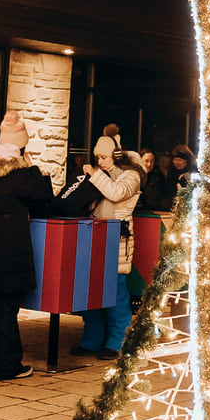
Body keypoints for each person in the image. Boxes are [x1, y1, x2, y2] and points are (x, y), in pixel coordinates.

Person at [0, 110, 54, 380]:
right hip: (10, 250)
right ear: (19, 148)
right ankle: (6, 367)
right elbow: (44, 196)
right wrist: (33, 168)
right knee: (5, 309)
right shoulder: (18, 175)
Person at [72, 124, 144, 358]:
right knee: (91, 292)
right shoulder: (100, 175)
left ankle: (117, 341)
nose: (100, 162)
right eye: (97, 158)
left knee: (116, 294)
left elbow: (115, 193)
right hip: (95, 238)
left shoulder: (131, 176)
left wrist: (95, 176)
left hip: (117, 241)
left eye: (104, 157)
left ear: (115, 155)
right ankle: (92, 339)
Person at [160, 142, 198, 208]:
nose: (176, 162)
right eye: (174, 160)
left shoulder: (193, 172)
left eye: (179, 160)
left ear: (186, 161)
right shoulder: (172, 172)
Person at [138, 147, 168, 212]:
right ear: (140, 161)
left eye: (152, 161)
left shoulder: (159, 176)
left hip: (153, 211)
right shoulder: (134, 175)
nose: (149, 164)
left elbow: (163, 198)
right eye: (146, 161)